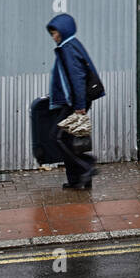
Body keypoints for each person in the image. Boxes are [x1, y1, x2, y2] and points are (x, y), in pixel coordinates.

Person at [46, 13, 97, 189]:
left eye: (55, 32)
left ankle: (87, 166)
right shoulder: (69, 46)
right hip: (72, 102)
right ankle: (77, 179)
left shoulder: (68, 48)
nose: (54, 36)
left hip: (73, 103)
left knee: (58, 138)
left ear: (64, 31)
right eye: (52, 33)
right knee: (70, 139)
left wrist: (79, 105)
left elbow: (77, 77)